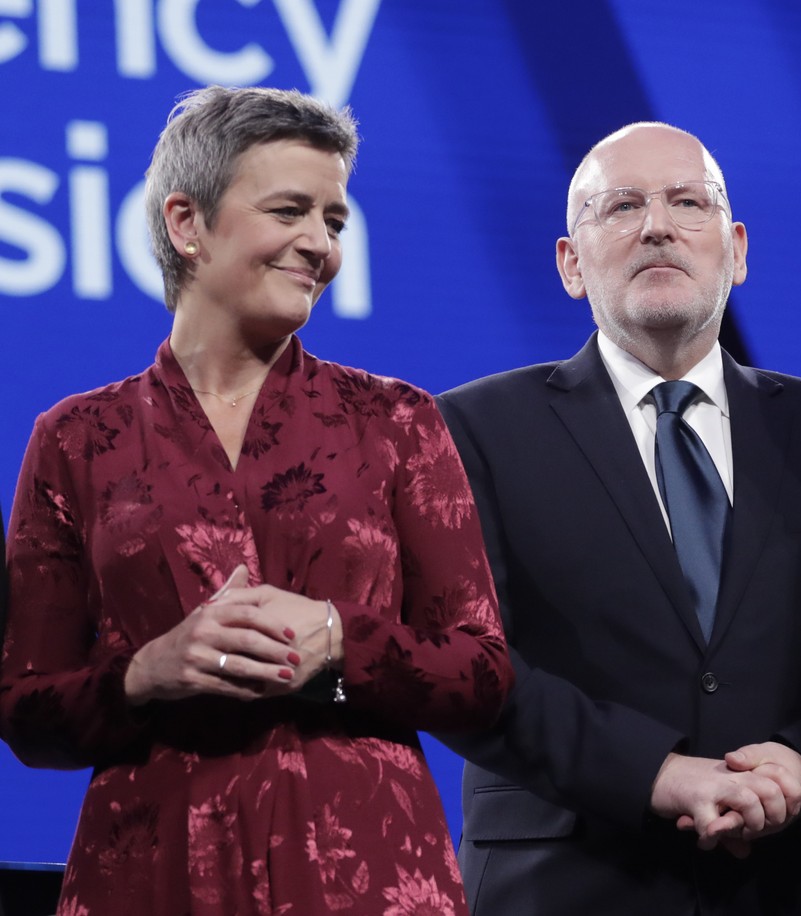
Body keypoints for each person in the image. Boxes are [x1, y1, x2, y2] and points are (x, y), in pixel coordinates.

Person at [0, 86, 512, 915]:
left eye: (335, 222)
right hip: (152, 871)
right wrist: (144, 674)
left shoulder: (397, 421)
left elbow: (482, 671)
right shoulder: (75, 438)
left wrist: (343, 642)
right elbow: (25, 707)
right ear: (186, 224)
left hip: (367, 872)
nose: (320, 245)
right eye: (290, 211)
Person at [435, 122, 801, 915]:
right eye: (621, 207)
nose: (658, 225)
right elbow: (462, 668)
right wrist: (654, 773)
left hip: (780, 885)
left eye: (688, 202)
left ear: (737, 250)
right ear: (572, 265)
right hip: (560, 885)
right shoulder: (472, 431)